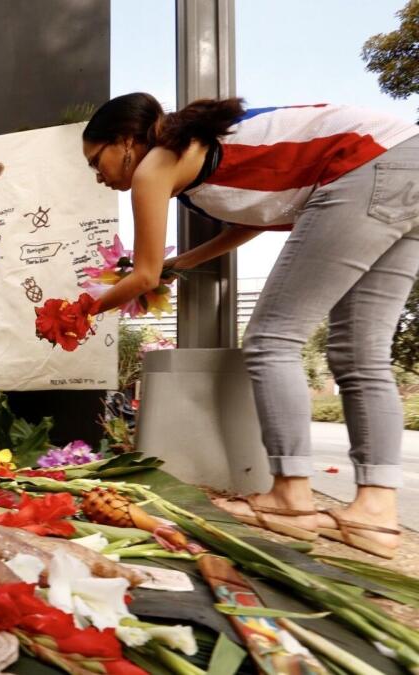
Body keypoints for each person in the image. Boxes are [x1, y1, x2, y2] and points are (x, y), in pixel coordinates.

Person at [81, 93, 419, 558]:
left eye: (97, 162)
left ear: (125, 142)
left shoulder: (154, 165)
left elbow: (142, 275)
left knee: (271, 341)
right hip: (407, 162)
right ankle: (375, 515)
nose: (99, 177)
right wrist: (183, 262)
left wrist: (81, 309)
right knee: (361, 354)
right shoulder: (195, 152)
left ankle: (290, 498)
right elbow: (254, 219)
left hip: (366, 166)